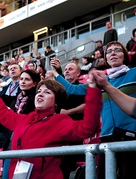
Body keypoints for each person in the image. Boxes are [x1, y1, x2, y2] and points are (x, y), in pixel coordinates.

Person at [0, 67, 102, 179]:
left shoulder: (60, 121)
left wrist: (93, 91)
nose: (40, 94)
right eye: (39, 91)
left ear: (57, 102)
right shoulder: (23, 119)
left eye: (47, 92)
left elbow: (88, 128)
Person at [52, 41, 136, 178]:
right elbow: (73, 89)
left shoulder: (134, 73)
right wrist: (56, 74)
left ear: (125, 56)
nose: (113, 53)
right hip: (107, 137)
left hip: (131, 137)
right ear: (106, 59)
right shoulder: (100, 80)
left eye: (117, 50)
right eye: (109, 51)